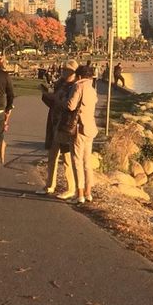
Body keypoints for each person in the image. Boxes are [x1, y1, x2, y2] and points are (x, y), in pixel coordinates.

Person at [56, 63, 101, 202]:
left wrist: (61, 100)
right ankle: (88, 192)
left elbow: (71, 105)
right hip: (90, 128)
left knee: (77, 160)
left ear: (79, 76)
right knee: (87, 162)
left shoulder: (78, 86)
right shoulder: (92, 88)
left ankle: (79, 193)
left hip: (79, 129)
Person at [41, 64, 76, 196]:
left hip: (66, 126)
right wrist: (46, 96)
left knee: (67, 157)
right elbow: (54, 103)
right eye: (64, 70)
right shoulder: (59, 84)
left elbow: (70, 106)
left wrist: (55, 99)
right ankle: (49, 185)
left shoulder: (75, 86)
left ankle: (71, 188)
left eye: (67, 70)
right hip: (54, 123)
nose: (64, 72)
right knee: (52, 155)